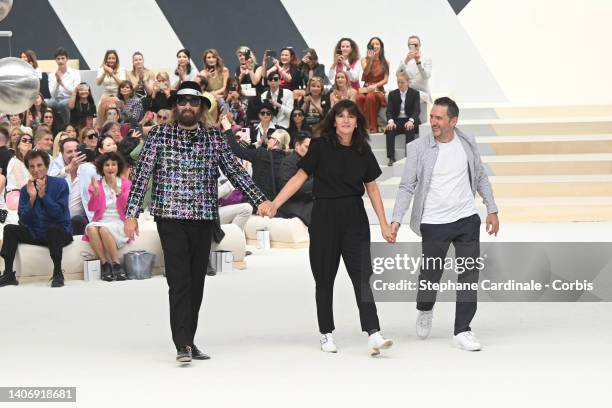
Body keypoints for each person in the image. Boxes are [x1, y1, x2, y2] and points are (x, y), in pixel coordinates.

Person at [124, 81, 273, 363]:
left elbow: (235, 172)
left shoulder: (214, 138)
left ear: (201, 107)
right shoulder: (158, 136)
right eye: (182, 102)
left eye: (193, 102)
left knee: (196, 282)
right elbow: (141, 176)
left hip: (204, 217)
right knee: (179, 281)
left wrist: (260, 199)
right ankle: (181, 343)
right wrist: (131, 214)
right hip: (169, 217)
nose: (188, 107)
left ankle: (189, 340)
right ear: (175, 106)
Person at [265, 100, 395, 356]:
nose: (346, 120)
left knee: (362, 276)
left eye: (351, 116)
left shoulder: (362, 149)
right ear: (333, 121)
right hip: (324, 216)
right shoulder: (320, 147)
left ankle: (373, 332)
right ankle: (326, 332)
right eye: (341, 116)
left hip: (354, 217)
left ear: (357, 121)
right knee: (324, 277)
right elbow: (299, 178)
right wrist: (275, 202)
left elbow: (372, 188)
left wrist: (383, 223)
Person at [390, 97, 499, 351]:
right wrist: (397, 219)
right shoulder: (419, 148)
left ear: (453, 121)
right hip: (434, 221)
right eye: (432, 117)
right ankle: (425, 308)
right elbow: (407, 185)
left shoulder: (467, 142)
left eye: (439, 118)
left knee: (469, 274)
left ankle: (462, 330)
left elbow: (480, 175)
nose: (433, 122)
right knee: (431, 273)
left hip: (466, 218)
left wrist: (491, 208)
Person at [0, 150, 73, 288]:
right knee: (10, 229)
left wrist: (44, 195)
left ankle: (58, 273)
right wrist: (32, 198)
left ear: (46, 166)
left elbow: (59, 215)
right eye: (32, 166)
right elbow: (23, 220)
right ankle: (9, 274)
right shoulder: (25, 189)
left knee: (53, 229)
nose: (36, 170)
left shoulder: (60, 184)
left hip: (59, 232)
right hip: (36, 232)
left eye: (39, 165)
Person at [84, 152, 131, 281]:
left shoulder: (126, 184)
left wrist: (117, 190)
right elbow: (92, 208)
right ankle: (105, 264)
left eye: (113, 164)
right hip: (102, 219)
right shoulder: (97, 184)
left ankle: (116, 264)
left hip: (119, 220)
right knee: (91, 228)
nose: (110, 168)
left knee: (104, 229)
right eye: (107, 165)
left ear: (118, 166)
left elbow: (127, 207)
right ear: (102, 168)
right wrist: (96, 194)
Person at [224, 127, 290, 200]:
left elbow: (237, 150)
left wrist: (228, 129)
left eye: (270, 138)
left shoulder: (261, 153)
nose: (268, 140)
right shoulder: (288, 161)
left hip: (256, 200)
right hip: (274, 204)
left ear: (275, 141)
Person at [385, 72, 420, 166]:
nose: (400, 84)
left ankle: (409, 157)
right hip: (398, 120)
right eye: (398, 82)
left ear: (408, 82)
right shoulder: (392, 94)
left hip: (410, 119)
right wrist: (391, 121)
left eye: (402, 82)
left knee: (409, 128)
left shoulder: (415, 93)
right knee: (390, 129)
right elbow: (389, 111)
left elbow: (417, 110)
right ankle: (391, 157)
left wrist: (411, 120)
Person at [277, 132, 312, 226]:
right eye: (307, 147)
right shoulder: (289, 162)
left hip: (306, 202)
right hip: (293, 205)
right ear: (297, 145)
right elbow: (287, 190)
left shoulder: (311, 161)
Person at [396, 35, 432, 124]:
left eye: (415, 45)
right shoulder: (406, 59)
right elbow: (397, 74)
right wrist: (405, 61)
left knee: (412, 96)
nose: (413, 47)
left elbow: (426, 76)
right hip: (408, 91)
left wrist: (418, 62)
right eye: (410, 45)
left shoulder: (426, 59)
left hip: (421, 92)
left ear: (420, 45)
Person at [357, 37, 389, 133]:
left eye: (377, 44)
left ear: (381, 47)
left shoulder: (385, 62)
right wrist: (370, 59)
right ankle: (362, 126)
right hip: (366, 87)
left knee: (370, 97)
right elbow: (366, 73)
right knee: (359, 98)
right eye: (373, 44)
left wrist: (375, 86)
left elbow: (385, 80)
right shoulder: (364, 59)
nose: (375, 46)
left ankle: (372, 127)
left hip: (378, 88)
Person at [46, 47, 81, 127]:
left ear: (67, 59)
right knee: (45, 102)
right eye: (58, 59)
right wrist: (57, 83)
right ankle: (47, 127)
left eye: (62, 58)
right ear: (55, 60)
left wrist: (62, 84)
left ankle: (67, 126)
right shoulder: (52, 75)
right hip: (56, 99)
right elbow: (53, 95)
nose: (60, 61)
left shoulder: (75, 73)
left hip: (70, 98)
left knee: (62, 104)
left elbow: (76, 91)